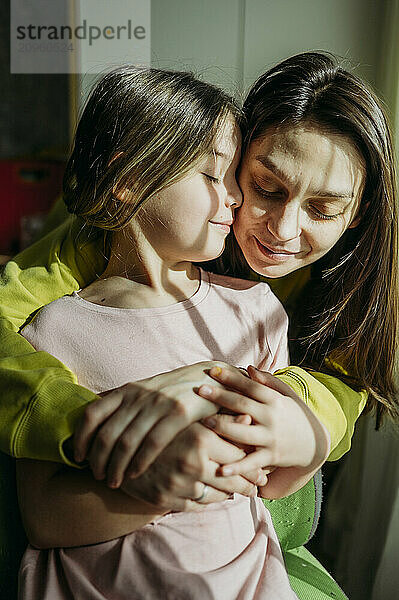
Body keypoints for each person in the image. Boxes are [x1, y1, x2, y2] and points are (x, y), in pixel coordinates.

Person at [0, 51, 397, 598]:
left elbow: (320, 419)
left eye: (324, 209)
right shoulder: (78, 281)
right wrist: (108, 422)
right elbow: (11, 325)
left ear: (357, 214)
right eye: (264, 187)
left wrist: (304, 427)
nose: (283, 228)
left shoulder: (286, 305)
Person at [16, 65, 300, 599]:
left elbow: (275, 482)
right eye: (214, 174)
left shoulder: (256, 312)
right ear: (129, 181)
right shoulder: (55, 331)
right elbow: (45, 520)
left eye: (238, 177)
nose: (236, 197)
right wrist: (158, 490)